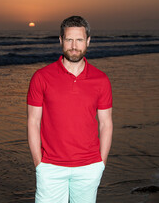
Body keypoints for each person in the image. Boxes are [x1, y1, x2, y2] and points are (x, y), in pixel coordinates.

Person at [27, 16, 113, 203]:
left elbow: (106, 123)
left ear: (88, 41)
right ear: (61, 40)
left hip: (89, 167)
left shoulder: (101, 80)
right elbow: (33, 121)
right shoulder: (41, 77)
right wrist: (39, 163)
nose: (74, 45)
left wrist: (101, 163)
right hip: (50, 168)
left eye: (80, 40)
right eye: (69, 39)